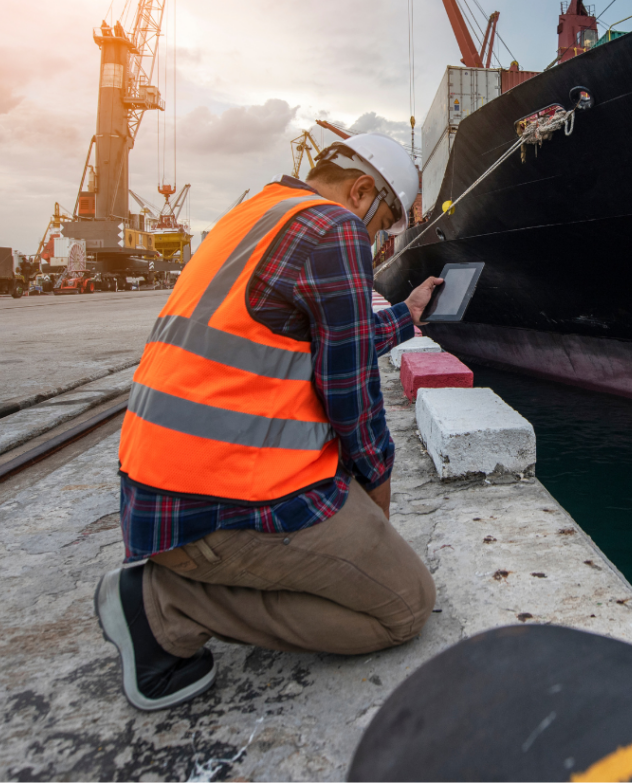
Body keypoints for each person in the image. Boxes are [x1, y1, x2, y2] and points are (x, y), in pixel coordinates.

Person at [94, 133, 443, 711]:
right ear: (361, 192)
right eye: (382, 227)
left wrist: (405, 316)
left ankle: (173, 585)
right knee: (405, 604)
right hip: (220, 503)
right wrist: (378, 488)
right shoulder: (335, 227)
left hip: (158, 494)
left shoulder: (253, 214)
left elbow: (325, 339)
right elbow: (352, 394)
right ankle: (164, 606)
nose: (377, 242)